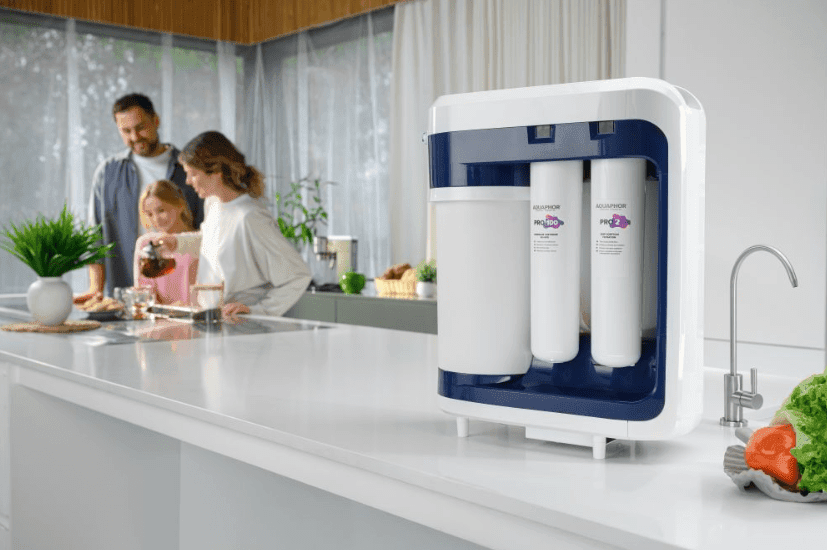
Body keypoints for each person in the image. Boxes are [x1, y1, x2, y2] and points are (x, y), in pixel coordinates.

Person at [160, 131, 311, 318]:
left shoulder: (250, 217)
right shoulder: (213, 204)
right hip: (212, 321)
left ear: (216, 172)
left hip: (242, 326)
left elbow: (297, 276)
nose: (187, 181)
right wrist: (177, 243)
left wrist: (259, 311)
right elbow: (214, 242)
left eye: (193, 174)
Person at [75, 93, 204, 303]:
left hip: (184, 292)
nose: (135, 137)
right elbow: (96, 235)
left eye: (140, 127)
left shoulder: (188, 169)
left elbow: (208, 232)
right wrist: (95, 288)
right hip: (127, 291)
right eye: (126, 131)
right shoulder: (108, 173)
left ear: (156, 121)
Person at [133, 180, 200, 305]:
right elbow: (144, 293)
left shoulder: (197, 243)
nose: (156, 219)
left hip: (194, 314)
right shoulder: (145, 244)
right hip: (160, 316)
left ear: (180, 205)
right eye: (150, 214)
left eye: (161, 210)